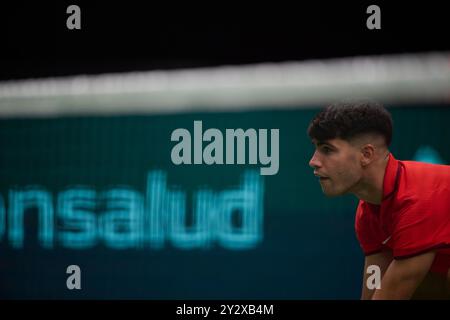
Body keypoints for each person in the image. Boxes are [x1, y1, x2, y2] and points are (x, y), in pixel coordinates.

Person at [307, 99, 450, 299]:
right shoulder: (368, 213)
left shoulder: (417, 200)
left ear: (366, 154)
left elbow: (394, 291)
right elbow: (376, 282)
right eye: (316, 148)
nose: (313, 161)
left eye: (327, 149)